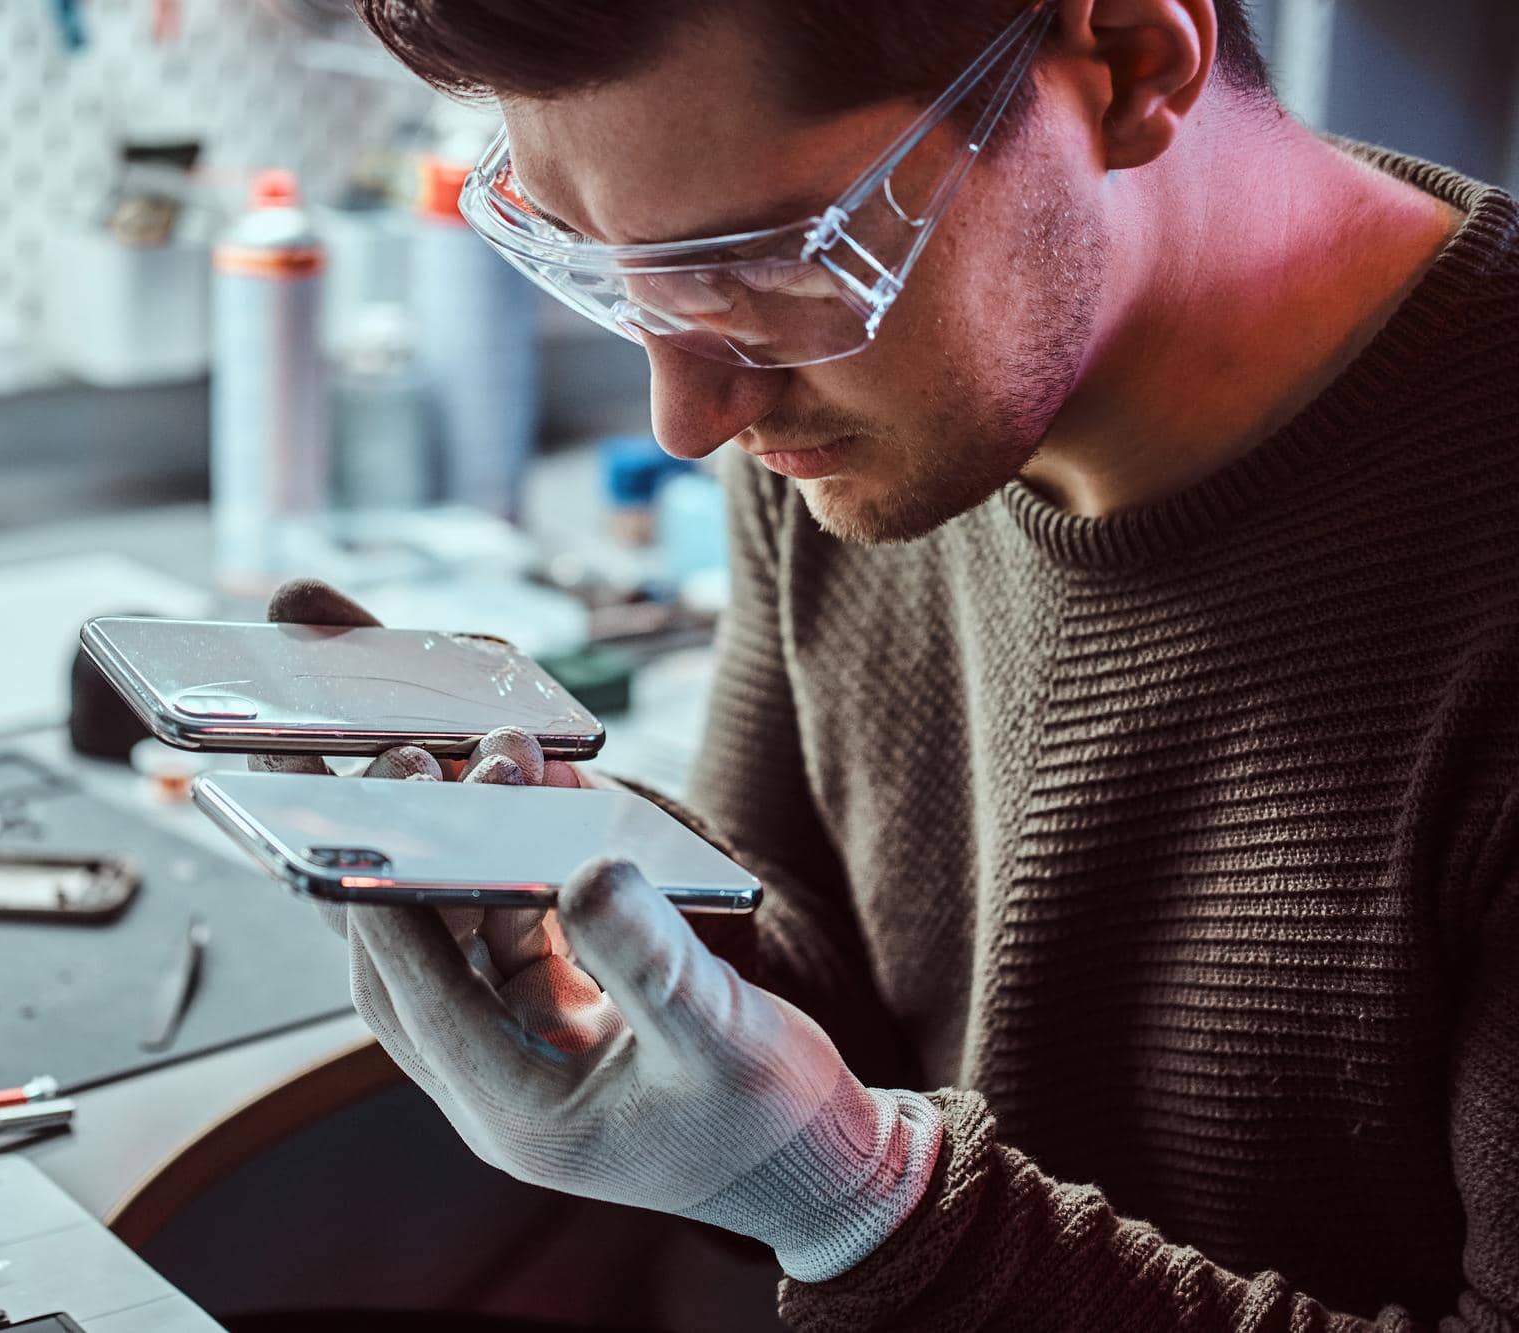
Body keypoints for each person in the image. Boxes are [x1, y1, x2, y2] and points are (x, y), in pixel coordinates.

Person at [259, 0, 1519, 1326]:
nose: (689, 418)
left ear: (1135, 65)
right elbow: (828, 1002)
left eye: (763, 265)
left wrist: (859, 1202)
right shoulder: (849, 421)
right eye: (607, 269)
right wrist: (597, 919)